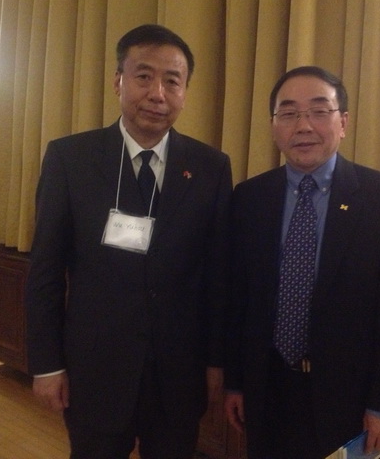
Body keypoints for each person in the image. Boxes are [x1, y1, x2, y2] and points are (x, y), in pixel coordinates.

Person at [25, 24, 232, 459]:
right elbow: (45, 271)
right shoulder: (71, 159)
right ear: (118, 81)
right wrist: (46, 364)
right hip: (95, 369)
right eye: (143, 76)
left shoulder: (210, 167)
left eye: (172, 81)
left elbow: (218, 277)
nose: (158, 93)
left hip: (178, 373)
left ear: (185, 92)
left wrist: (216, 362)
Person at [224, 66, 380, 459]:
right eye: (289, 113)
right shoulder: (249, 198)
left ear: (343, 122)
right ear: (274, 125)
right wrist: (236, 382)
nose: (303, 126)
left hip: (349, 398)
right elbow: (238, 300)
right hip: (267, 390)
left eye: (319, 111)